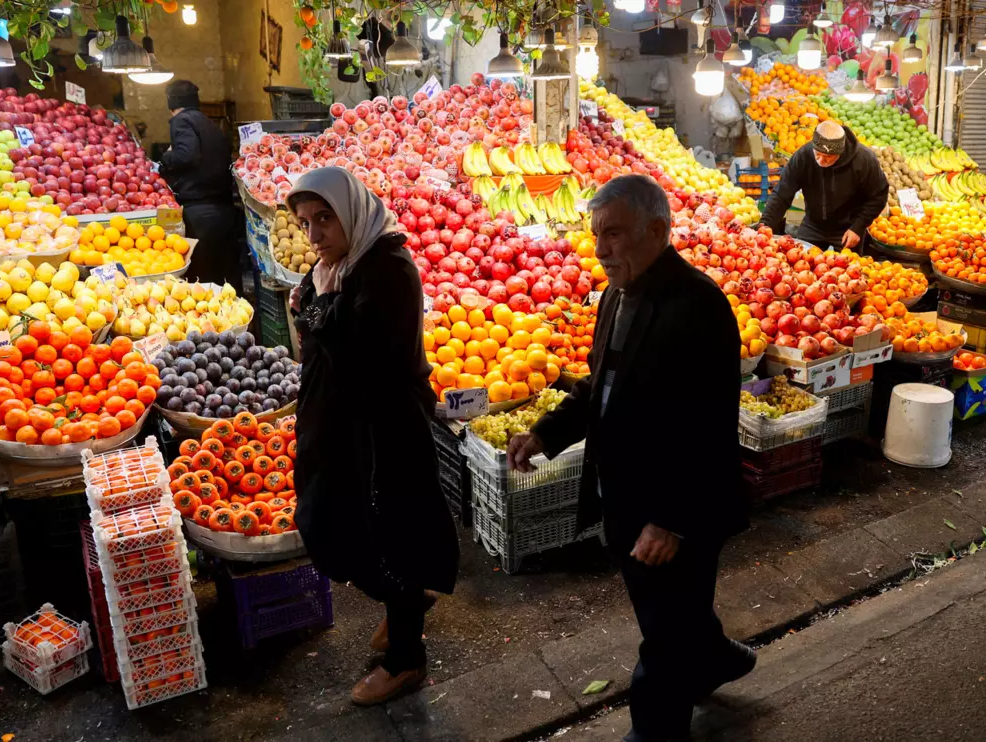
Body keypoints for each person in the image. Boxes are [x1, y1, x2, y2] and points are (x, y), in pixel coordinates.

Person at [507, 175, 752, 742]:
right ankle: (713, 657)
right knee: (671, 610)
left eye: (613, 234)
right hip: (626, 493)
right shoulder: (618, 294)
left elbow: (708, 424)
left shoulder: (699, 305)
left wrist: (671, 520)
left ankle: (656, 731)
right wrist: (547, 433)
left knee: (662, 636)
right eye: (597, 235)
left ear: (658, 230)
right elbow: (604, 385)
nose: (600, 249)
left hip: (674, 506)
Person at [287, 167, 459, 706]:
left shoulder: (387, 270)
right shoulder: (336, 269)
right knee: (336, 524)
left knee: (388, 535)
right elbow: (317, 337)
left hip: (383, 430)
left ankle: (406, 658)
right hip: (339, 426)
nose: (314, 235)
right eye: (305, 222)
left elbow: (364, 358)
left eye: (324, 218)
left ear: (353, 213)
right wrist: (315, 308)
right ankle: (405, 603)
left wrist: (314, 311)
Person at [159, 79, 244, 287]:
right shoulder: (210, 124)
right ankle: (241, 318)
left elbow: (187, 155)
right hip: (224, 211)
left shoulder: (181, 121)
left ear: (171, 104)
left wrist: (165, 158)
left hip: (201, 213)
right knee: (228, 278)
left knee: (203, 281)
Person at [758, 120, 889, 251]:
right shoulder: (803, 156)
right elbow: (782, 194)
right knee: (801, 264)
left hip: (848, 228)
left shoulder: (864, 160)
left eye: (828, 156)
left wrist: (858, 227)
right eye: (817, 154)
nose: (820, 160)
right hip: (813, 224)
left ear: (840, 152)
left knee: (847, 269)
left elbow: (878, 195)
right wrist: (765, 226)